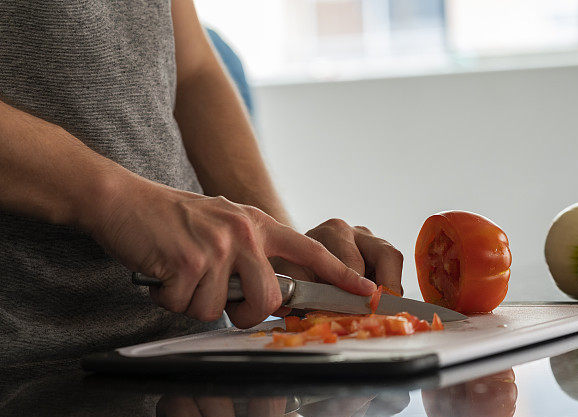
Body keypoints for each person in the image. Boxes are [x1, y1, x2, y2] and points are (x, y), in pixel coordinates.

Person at [0, 0, 404, 359]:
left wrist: (272, 246)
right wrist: (113, 199)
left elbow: (190, 68)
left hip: (194, 351)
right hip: (27, 369)